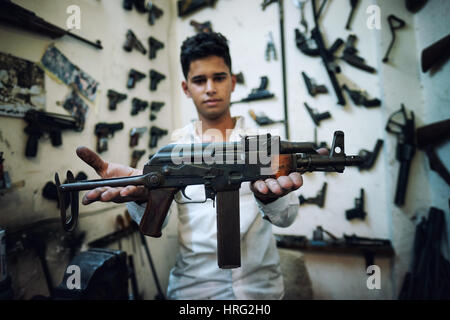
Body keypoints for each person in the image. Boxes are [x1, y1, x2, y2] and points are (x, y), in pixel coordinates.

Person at [76, 32, 324, 299]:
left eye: (218, 77)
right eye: (199, 80)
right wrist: (141, 196)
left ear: (233, 81)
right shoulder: (173, 151)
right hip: (193, 290)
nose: (210, 88)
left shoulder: (263, 148)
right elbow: (158, 217)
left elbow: (286, 219)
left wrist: (270, 198)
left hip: (260, 291)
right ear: (186, 88)